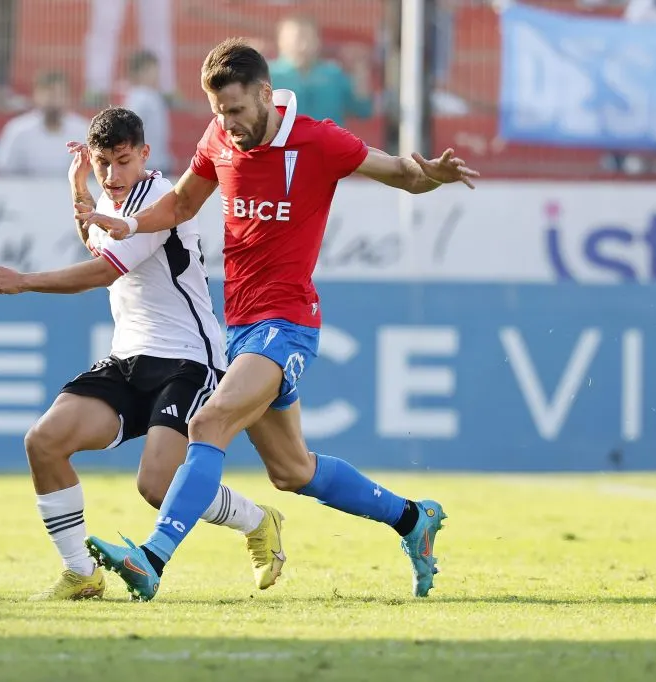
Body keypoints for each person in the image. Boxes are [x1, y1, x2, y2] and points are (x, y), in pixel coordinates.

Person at [78, 38, 479, 601]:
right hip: (241, 326)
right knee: (292, 471)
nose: (230, 124)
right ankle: (414, 520)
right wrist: (131, 225)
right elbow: (183, 204)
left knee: (208, 423)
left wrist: (429, 172)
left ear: (265, 93)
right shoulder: (218, 136)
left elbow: (398, 174)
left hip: (287, 320)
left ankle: (152, 560)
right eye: (220, 113)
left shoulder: (318, 139)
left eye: (238, 110)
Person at [0, 107, 285, 601]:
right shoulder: (109, 196)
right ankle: (81, 573)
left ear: (144, 154)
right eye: (103, 163)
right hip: (128, 359)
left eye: (123, 162)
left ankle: (259, 520)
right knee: (44, 442)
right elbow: (95, 238)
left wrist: (25, 281)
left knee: (158, 487)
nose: (112, 175)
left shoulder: (160, 199)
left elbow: (103, 271)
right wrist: (78, 187)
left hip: (188, 359)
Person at [268, 15, 373, 126]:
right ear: (280, 40)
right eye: (296, 38)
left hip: (329, 142)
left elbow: (363, 111)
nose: (302, 44)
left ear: (317, 41)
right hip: (284, 143)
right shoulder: (266, 76)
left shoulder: (334, 74)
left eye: (308, 37)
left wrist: (361, 74)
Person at [0, 71, 90, 177]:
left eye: (58, 94)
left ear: (67, 97)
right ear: (35, 96)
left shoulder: (84, 130)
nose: (52, 100)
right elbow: (2, 169)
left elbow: (97, 171)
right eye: (48, 94)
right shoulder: (18, 129)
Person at [123, 50, 172, 174]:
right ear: (136, 73)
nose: (155, 75)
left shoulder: (153, 95)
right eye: (150, 70)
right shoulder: (139, 97)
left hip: (158, 161)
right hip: (148, 164)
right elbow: (129, 128)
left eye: (155, 70)